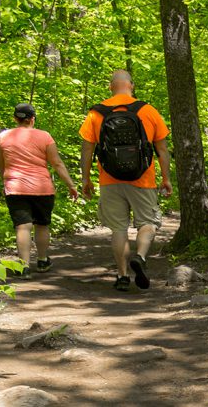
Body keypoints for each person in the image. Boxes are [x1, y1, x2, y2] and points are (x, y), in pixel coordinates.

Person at [79, 70, 173, 292]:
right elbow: (162, 149)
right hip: (143, 178)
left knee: (118, 229)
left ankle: (122, 276)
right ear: (132, 85)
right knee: (148, 223)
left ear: (111, 87)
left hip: (109, 179)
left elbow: (87, 149)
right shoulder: (147, 110)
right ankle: (139, 256)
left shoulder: (96, 113)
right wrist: (166, 178)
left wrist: (86, 179)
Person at [0, 103, 79, 278]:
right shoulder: (45, 136)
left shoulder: (3, 137)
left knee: (22, 227)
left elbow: (0, 164)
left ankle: (24, 266)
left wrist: (5, 181)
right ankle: (42, 260)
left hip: (15, 187)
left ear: (15, 118)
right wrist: (71, 185)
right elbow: (56, 163)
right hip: (42, 187)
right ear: (32, 118)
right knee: (42, 225)